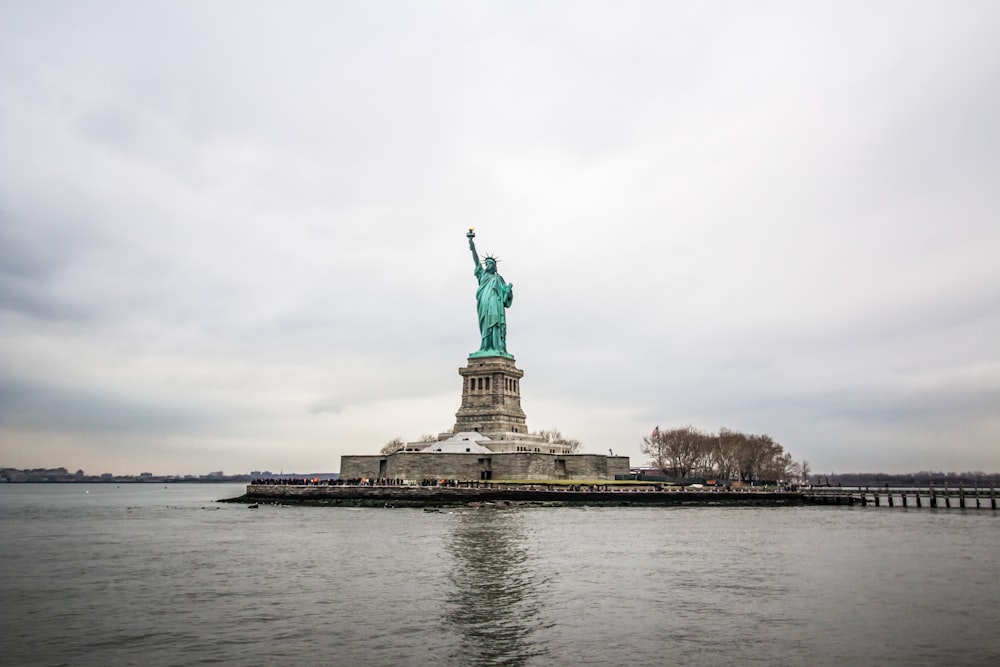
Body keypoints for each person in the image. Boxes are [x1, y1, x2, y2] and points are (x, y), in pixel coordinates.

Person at [468, 230, 513, 357]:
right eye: (486, 263)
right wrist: (472, 246)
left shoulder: (498, 279)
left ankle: (497, 347)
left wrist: (508, 291)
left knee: (495, 324)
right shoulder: (481, 275)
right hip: (484, 303)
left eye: (490, 264)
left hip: (496, 305)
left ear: (494, 266)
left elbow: (506, 299)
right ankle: (485, 346)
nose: (487, 265)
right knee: (485, 324)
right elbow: (476, 261)